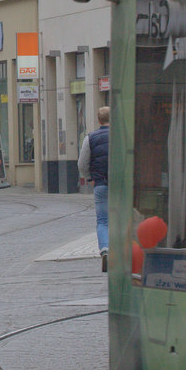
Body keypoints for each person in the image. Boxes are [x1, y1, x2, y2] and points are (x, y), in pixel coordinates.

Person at [78, 106, 111, 271]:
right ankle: (122, 252)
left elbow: (82, 164)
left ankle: (105, 249)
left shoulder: (90, 138)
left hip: (101, 184)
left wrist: (90, 177)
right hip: (120, 186)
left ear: (99, 120)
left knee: (103, 220)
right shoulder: (121, 136)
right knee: (122, 219)